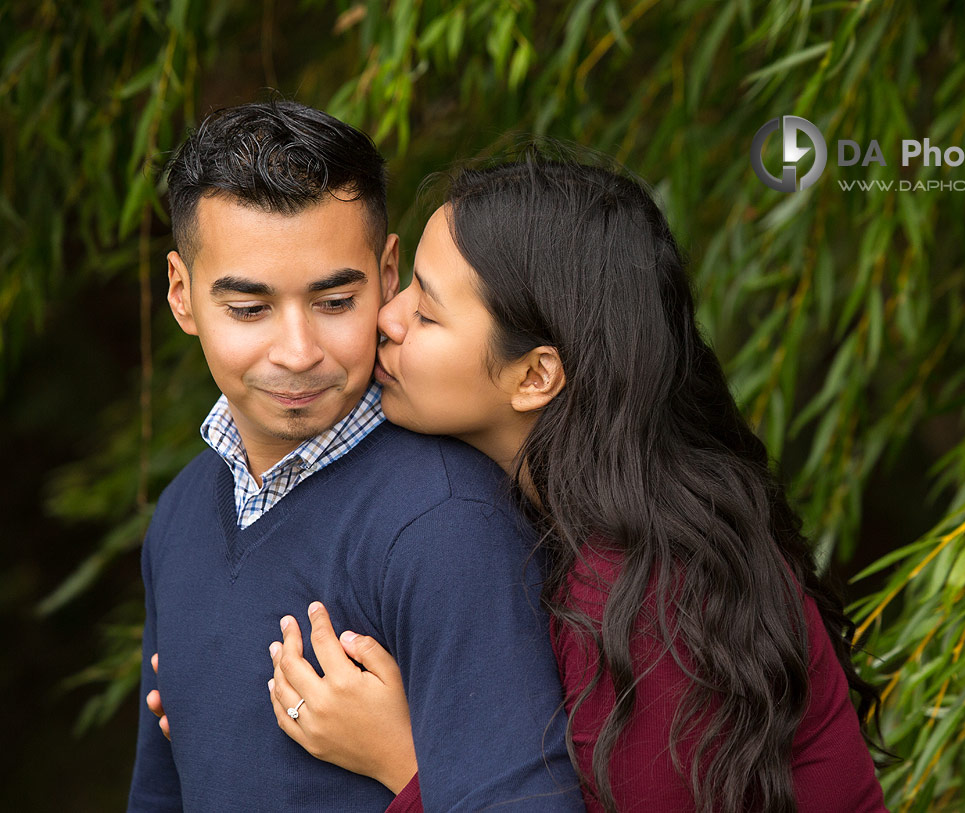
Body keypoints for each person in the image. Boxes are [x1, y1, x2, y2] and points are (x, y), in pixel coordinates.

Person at [154, 148, 891, 811]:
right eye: (403, 287)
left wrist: (405, 759)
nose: (388, 317)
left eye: (429, 311)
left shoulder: (656, 599)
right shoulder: (571, 528)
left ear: (535, 374)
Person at [127, 101, 583, 812]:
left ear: (388, 271)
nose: (298, 350)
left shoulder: (444, 522)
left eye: (336, 300)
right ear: (183, 295)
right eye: (249, 309)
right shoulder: (183, 512)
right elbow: (159, 791)